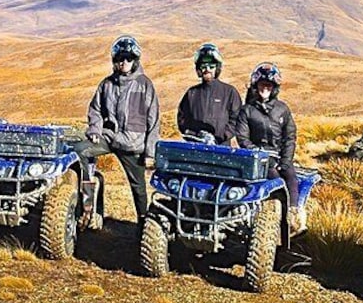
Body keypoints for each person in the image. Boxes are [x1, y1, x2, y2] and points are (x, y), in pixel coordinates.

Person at [73, 35, 160, 232]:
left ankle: (144, 227)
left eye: (128, 58)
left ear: (135, 60)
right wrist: (95, 129)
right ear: (115, 61)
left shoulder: (145, 84)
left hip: (133, 144)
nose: (124, 63)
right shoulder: (107, 84)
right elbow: (95, 109)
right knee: (79, 151)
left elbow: (154, 121)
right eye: (120, 59)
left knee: (139, 190)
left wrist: (150, 153)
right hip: (109, 138)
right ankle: (87, 206)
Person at [235, 62, 305, 234]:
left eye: (268, 85)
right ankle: (271, 223)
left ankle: (294, 217)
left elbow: (290, 136)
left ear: (274, 87)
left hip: (279, 155)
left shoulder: (282, 109)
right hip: (257, 158)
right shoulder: (247, 111)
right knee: (275, 181)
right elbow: (242, 137)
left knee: (292, 179)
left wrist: (286, 160)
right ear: (255, 86)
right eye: (262, 85)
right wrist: (257, 153)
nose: (265, 88)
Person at [177, 43, 242, 146]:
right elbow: (182, 120)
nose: (207, 69)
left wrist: (219, 137)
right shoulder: (191, 93)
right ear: (199, 69)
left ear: (217, 68)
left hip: (221, 148)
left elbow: (236, 119)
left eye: (211, 66)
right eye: (203, 66)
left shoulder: (230, 92)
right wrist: (196, 135)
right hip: (196, 147)